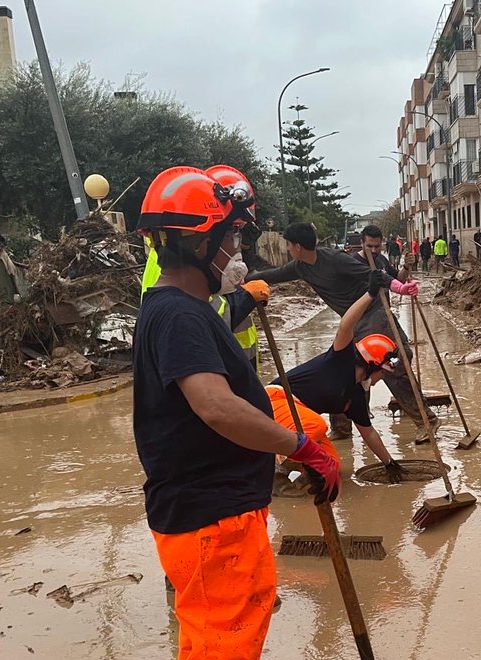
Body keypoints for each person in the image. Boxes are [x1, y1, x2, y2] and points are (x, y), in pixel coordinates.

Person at [132, 167, 340, 660]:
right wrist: (297, 448)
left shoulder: (185, 310)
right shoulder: (177, 315)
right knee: (224, 645)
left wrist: (295, 428)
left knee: (209, 640)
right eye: (229, 237)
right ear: (198, 242)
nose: (235, 251)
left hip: (211, 512)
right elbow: (218, 408)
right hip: (208, 518)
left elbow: (239, 397)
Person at [248, 223, 429, 441]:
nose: (287, 249)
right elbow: (274, 275)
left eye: (288, 245)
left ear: (297, 246)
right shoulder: (300, 267)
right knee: (339, 372)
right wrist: (245, 280)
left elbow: (376, 275)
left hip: (373, 314)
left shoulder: (335, 259)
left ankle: (426, 422)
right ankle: (342, 430)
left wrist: (400, 288)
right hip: (352, 321)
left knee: (392, 368)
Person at [279, 270, 408, 485]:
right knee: (317, 426)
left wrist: (389, 463)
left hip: (300, 419)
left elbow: (369, 434)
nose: (380, 379)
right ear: (370, 366)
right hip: (277, 402)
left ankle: (301, 481)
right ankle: (277, 467)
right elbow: (345, 325)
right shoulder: (340, 359)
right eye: (382, 372)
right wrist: (370, 294)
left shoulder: (355, 397)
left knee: (332, 468)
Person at [140, 164, 268, 371]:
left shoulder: (201, 264)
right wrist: (246, 298)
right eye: (233, 231)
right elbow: (207, 313)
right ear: (206, 241)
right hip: (218, 367)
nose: (237, 242)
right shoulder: (177, 294)